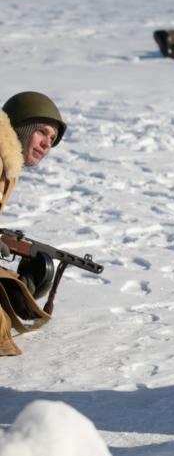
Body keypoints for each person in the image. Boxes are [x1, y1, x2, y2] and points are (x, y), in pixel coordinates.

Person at [1, 92, 66, 356]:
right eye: (41, 132)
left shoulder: (7, 167)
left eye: (52, 139)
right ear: (22, 127)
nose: (46, 144)